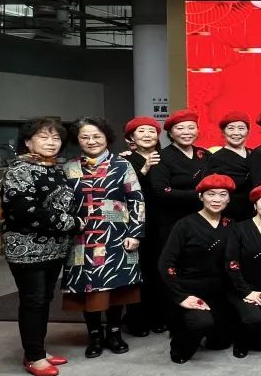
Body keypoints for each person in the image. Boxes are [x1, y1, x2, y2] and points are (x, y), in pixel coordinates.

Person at [0, 117, 83, 376]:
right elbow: (27, 212)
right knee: (33, 301)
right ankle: (34, 357)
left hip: (55, 248)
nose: (51, 142)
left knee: (44, 299)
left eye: (56, 138)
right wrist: (73, 223)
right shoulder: (19, 170)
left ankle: (37, 350)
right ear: (28, 142)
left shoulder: (54, 168)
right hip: (27, 249)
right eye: (44, 137)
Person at [62, 117, 145, 359]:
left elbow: (136, 199)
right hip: (82, 237)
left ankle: (115, 333)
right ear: (78, 140)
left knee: (117, 286)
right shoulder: (69, 167)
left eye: (96, 136)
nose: (91, 141)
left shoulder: (122, 164)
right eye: (85, 137)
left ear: (107, 138)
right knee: (88, 288)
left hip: (117, 235)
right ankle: (95, 336)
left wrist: (136, 232)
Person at [158, 174, 236, 364]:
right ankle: (179, 344)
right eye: (211, 194)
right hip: (190, 291)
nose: (216, 199)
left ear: (229, 199)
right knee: (201, 323)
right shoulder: (184, 225)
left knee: (220, 343)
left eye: (222, 194)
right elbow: (165, 264)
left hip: (219, 293)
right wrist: (181, 297)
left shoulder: (231, 225)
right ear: (201, 196)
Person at [225, 184, 261, 357]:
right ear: (255, 205)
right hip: (241, 288)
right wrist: (247, 292)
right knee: (252, 319)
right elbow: (231, 263)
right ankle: (240, 341)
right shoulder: (239, 228)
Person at [123, 116, 167, 337]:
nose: (147, 135)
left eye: (152, 131)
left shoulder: (165, 157)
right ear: (131, 137)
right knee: (138, 273)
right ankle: (137, 321)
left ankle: (159, 317)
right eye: (141, 131)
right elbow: (124, 191)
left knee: (160, 270)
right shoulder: (124, 160)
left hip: (162, 222)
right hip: (135, 223)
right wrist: (145, 168)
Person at [152, 109, 207, 239]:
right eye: (180, 128)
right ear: (170, 133)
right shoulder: (160, 157)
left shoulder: (205, 154)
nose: (186, 132)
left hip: (203, 217)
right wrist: (199, 194)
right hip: (173, 219)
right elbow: (161, 191)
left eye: (191, 128)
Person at [204, 111, 253, 220]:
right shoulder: (215, 158)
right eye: (231, 128)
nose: (236, 133)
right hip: (228, 214)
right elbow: (207, 189)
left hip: (255, 213)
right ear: (223, 132)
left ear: (248, 131)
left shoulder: (254, 154)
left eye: (241, 128)